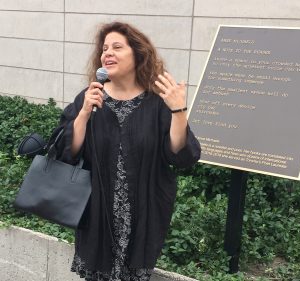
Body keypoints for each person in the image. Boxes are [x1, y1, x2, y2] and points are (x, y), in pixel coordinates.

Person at [54, 21, 201, 281]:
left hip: (142, 213)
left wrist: (178, 111)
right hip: (96, 212)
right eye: (104, 48)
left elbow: (181, 156)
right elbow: (68, 153)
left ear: (138, 54)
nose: (107, 53)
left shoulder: (157, 103)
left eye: (117, 47)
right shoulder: (89, 97)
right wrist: (84, 113)